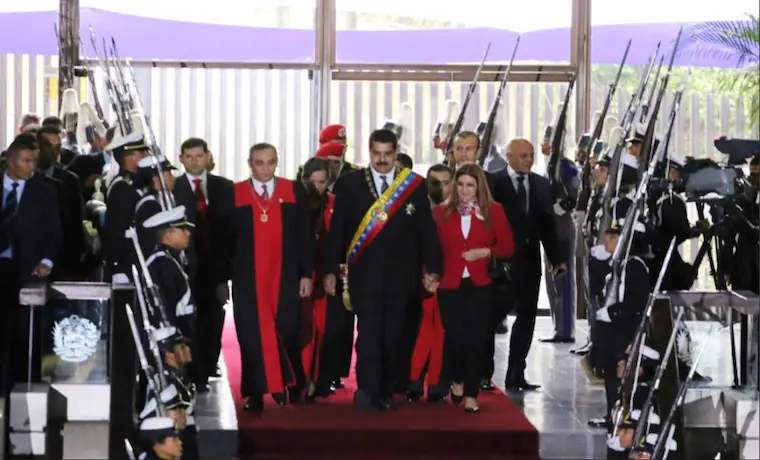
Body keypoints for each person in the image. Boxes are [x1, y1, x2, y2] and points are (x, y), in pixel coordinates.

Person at [323, 128, 442, 412]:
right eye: (376, 153)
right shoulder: (350, 184)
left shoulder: (413, 185)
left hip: (402, 277)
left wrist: (434, 269)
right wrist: (330, 270)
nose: (382, 159)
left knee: (394, 338)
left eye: (387, 154)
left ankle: (386, 389)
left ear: (396, 152)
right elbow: (337, 231)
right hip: (364, 276)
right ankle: (367, 391)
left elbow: (426, 231)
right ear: (369, 151)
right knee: (369, 337)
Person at [230, 142, 314, 412]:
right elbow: (225, 240)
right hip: (248, 279)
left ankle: (287, 384)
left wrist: (306, 274)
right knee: (251, 335)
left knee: (287, 329)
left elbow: (305, 236)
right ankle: (256, 393)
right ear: (250, 163)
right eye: (259, 162)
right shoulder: (236, 194)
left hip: (286, 274)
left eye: (271, 162)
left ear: (277, 162)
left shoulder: (293, 191)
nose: (266, 168)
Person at [434, 162, 515, 412]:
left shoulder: (494, 211)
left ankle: (471, 393)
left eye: (470, 185)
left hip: (481, 283)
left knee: (477, 339)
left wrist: (485, 251)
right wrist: (429, 275)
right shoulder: (441, 212)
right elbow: (431, 249)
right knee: (455, 337)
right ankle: (457, 378)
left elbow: (508, 247)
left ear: (479, 187)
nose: (465, 190)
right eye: (460, 184)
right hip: (450, 283)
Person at [497, 138, 564, 391]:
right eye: (523, 155)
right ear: (509, 157)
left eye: (531, 155)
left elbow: (548, 226)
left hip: (529, 263)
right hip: (500, 263)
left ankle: (516, 373)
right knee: (492, 318)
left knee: (526, 319)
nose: (529, 160)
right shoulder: (494, 182)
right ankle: (482, 374)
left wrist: (557, 259)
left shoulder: (541, 184)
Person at [0, 134, 62, 395]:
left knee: (24, 336)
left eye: (34, 161)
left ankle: (22, 391)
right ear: (10, 161)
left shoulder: (45, 191)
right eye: (26, 161)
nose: (31, 166)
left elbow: (54, 232)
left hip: (27, 273)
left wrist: (47, 261)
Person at [173, 137, 234, 387]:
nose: (195, 161)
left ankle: (209, 365)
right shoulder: (173, 188)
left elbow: (231, 231)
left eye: (199, 156)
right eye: (189, 157)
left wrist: (227, 271)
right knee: (188, 320)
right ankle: (192, 371)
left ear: (207, 156)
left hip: (216, 267)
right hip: (184, 267)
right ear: (181, 159)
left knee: (213, 318)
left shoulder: (225, 187)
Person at [594, 219, 652, 426]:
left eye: (613, 237)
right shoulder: (621, 264)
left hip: (626, 330)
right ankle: (612, 414)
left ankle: (620, 418)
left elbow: (635, 302)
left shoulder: (634, 266)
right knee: (611, 374)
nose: (607, 240)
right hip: (615, 330)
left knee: (620, 376)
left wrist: (612, 312)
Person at [299, 157, 341, 401]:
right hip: (301, 275)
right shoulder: (295, 202)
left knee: (324, 329)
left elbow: (340, 241)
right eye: (312, 182)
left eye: (322, 182)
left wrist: (333, 272)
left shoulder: (335, 204)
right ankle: (302, 380)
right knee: (303, 328)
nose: (317, 187)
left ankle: (318, 379)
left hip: (326, 274)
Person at [539, 124, 580, 344]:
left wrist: (559, 207)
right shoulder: (549, 166)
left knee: (564, 280)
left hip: (562, 227)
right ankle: (558, 327)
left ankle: (566, 330)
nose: (544, 144)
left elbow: (575, 194)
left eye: (548, 140)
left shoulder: (566, 165)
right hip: (550, 229)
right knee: (553, 281)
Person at [103, 129, 148, 283]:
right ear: (130, 157)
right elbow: (116, 231)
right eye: (142, 153)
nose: (146, 156)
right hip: (126, 261)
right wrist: (118, 266)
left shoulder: (135, 183)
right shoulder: (122, 187)